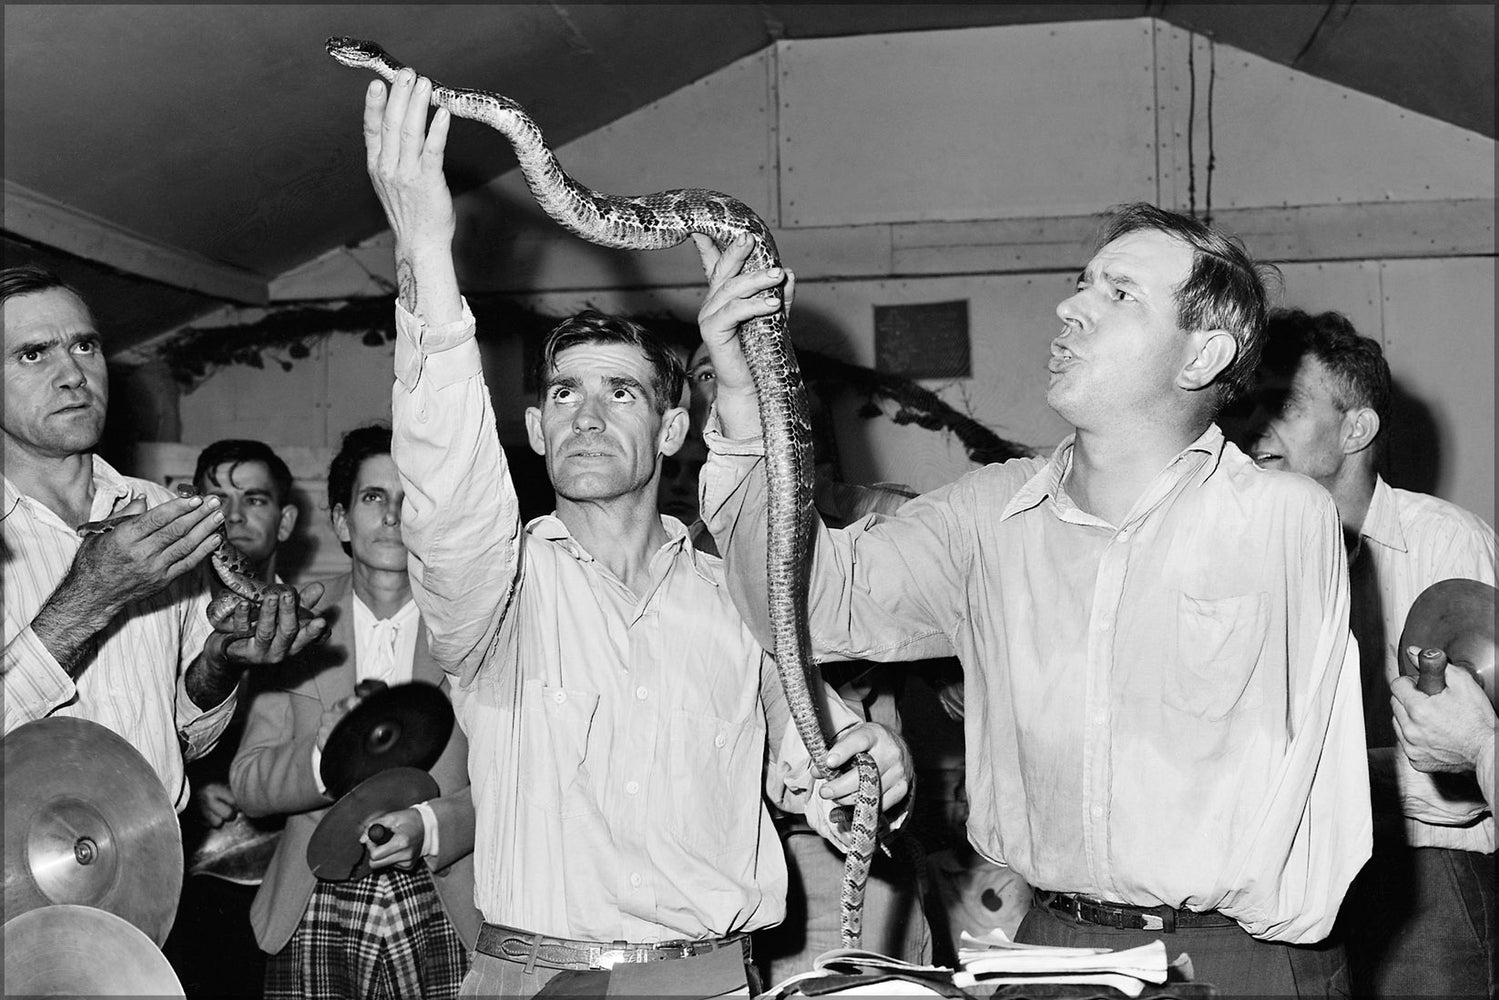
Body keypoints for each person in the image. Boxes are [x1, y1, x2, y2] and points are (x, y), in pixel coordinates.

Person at [696, 204, 1372, 995]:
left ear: (1201, 356)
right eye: (1081, 283)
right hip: (1047, 945)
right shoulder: (987, 518)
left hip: (1233, 960)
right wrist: (749, 402)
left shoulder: (1280, 520)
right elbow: (798, 603)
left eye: (1119, 294)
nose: (1070, 304)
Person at [360, 70, 913, 998]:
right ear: (533, 433)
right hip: (534, 980)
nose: (583, 414)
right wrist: (425, 248)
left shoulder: (737, 597)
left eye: (620, 391)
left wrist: (860, 772)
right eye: (562, 393)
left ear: (669, 430)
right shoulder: (492, 593)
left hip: (707, 982)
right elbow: (446, 490)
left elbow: (813, 758)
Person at [1, 264, 325, 812]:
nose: (73, 375)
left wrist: (221, 663)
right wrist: (91, 595)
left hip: (152, 859)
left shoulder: (165, 514)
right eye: (33, 354)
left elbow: (183, 737)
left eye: (84, 346)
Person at [1244, 309, 1496, 997]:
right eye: (1246, 404)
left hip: (1421, 880)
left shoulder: (1447, 544)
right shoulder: (1240, 545)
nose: (1251, 427)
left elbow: (1476, 757)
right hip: (1282, 883)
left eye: (1282, 406)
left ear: (1355, 428)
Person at [671, 343, 934, 981]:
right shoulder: (675, 545)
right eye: (705, 374)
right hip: (711, 867)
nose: (724, 386)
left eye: (750, 371)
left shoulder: (878, 519)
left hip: (833, 846)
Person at [230, 424, 479, 1000]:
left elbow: (518, 782)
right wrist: (323, 758)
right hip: (316, 895)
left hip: (445, 896)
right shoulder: (295, 624)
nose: (392, 516)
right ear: (341, 520)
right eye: (373, 498)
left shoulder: (476, 628)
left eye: (409, 499)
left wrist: (438, 826)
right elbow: (249, 782)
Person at [166, 438, 304, 997]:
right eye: (216, 497)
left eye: (255, 498)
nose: (233, 515)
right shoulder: (157, 614)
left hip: (284, 881)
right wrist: (187, 787)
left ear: (287, 519)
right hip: (181, 875)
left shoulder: (310, 622)